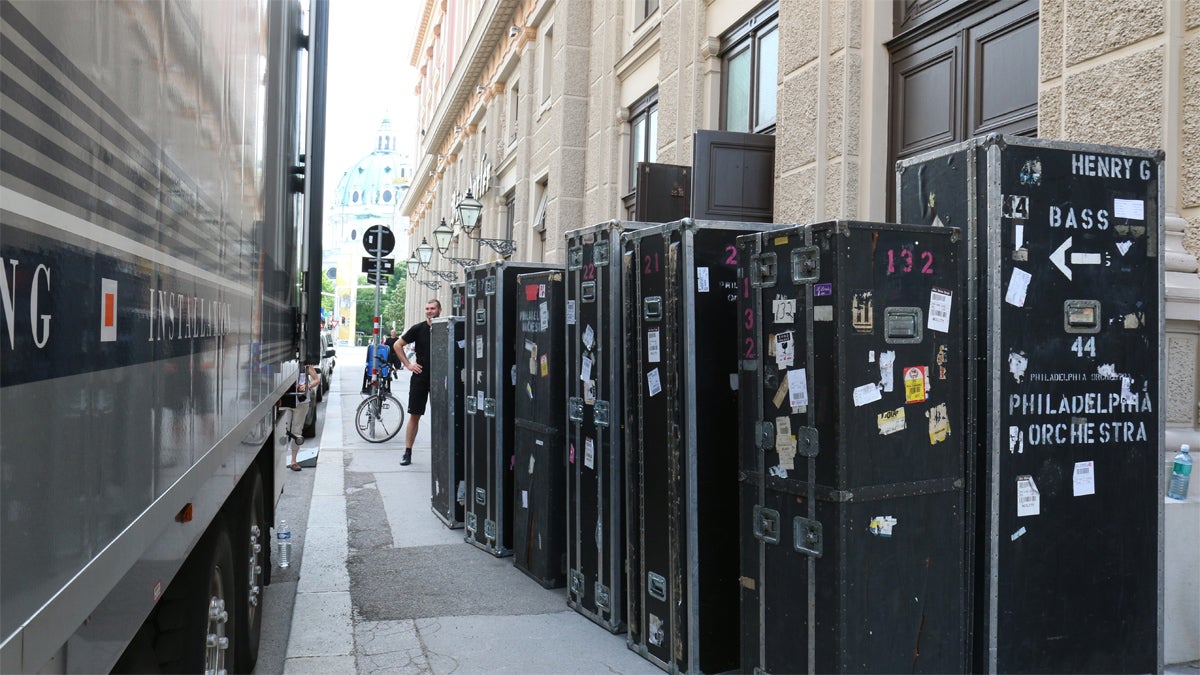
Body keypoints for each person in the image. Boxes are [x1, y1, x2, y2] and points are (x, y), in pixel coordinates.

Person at [393, 298, 441, 466]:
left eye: (433, 308)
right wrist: (408, 365)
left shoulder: (446, 327)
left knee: (443, 416)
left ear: (439, 310)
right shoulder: (418, 329)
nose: (429, 311)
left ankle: (443, 453)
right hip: (420, 376)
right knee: (415, 415)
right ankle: (407, 452)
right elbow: (398, 345)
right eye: (427, 308)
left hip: (441, 377)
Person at [287, 362, 321, 471]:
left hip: (302, 402)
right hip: (286, 401)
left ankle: (293, 461)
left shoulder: (306, 366)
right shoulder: (284, 363)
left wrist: (308, 386)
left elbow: (317, 380)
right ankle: (279, 460)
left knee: (296, 432)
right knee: (283, 431)